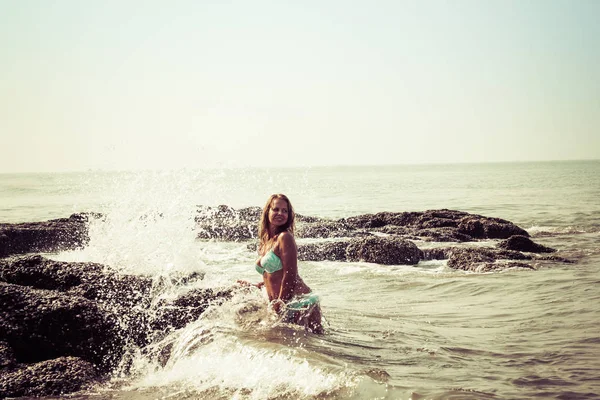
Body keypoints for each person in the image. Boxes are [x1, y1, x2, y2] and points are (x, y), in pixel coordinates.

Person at [238, 194, 323, 333]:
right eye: (276, 209)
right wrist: (256, 286)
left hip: (299, 304)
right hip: (284, 303)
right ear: (267, 212)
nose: (280, 213)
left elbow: (290, 275)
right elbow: (273, 275)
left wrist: (280, 305)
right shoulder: (266, 242)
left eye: (285, 211)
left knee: (310, 350)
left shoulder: (285, 237)